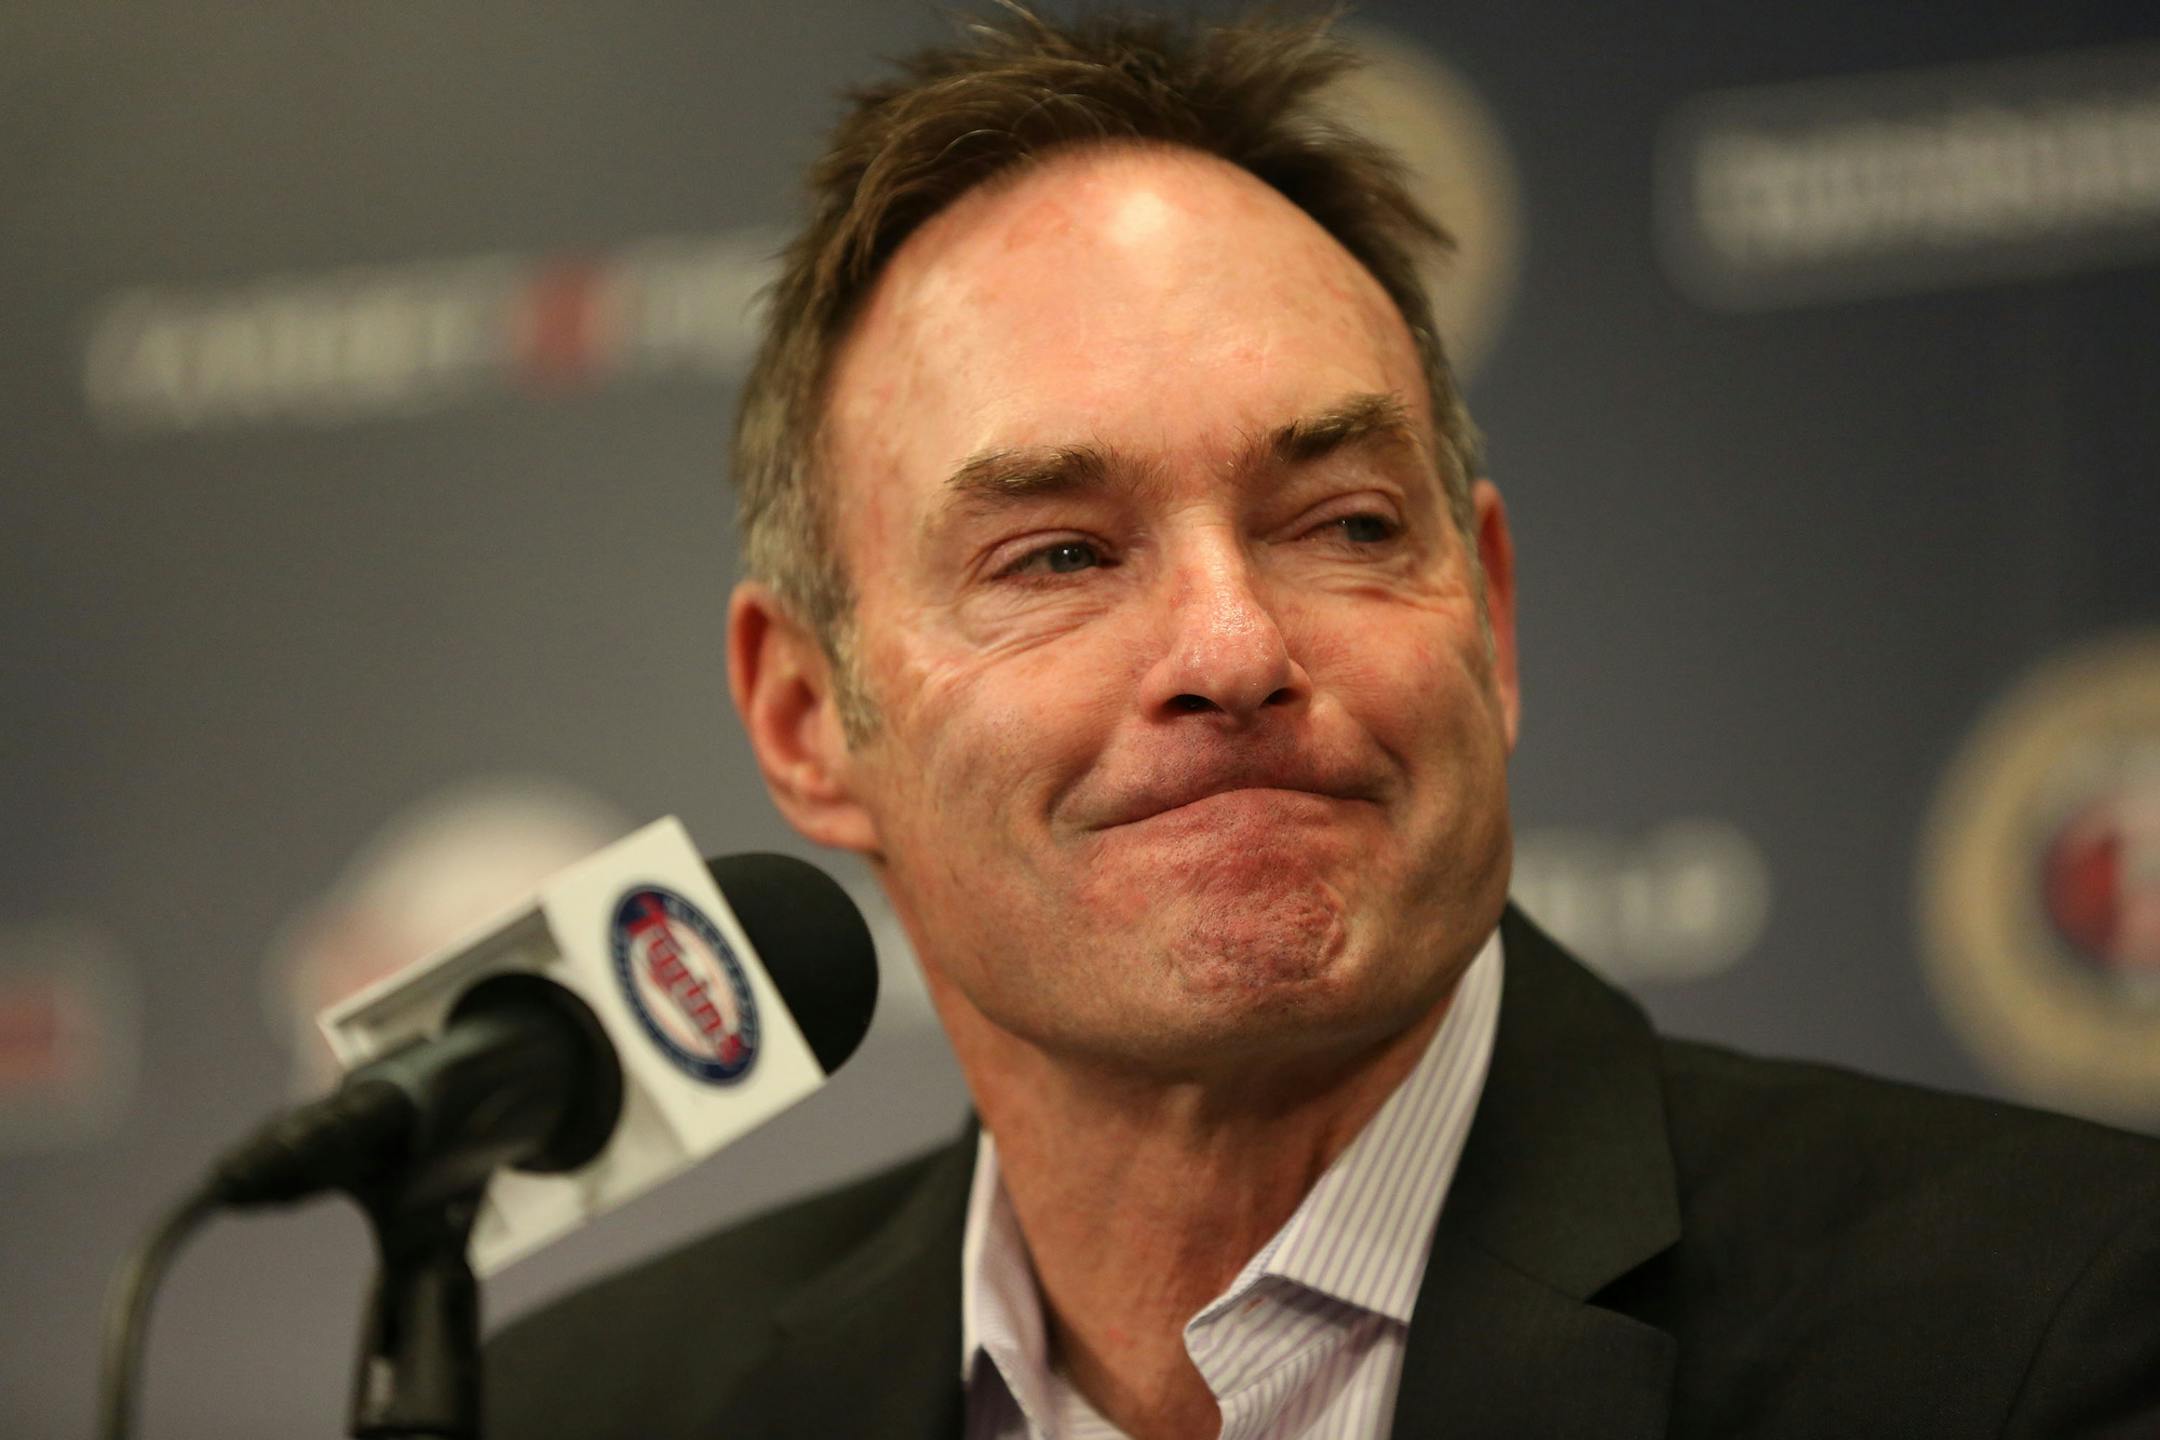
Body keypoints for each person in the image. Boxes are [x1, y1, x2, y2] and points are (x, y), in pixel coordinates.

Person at [486, 8, 2160, 1438]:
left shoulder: (2043, 1332)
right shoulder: (579, 1410)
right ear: (803, 715)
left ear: (1489, 615)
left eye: (1347, 525)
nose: (1233, 645)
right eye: (1059, 553)